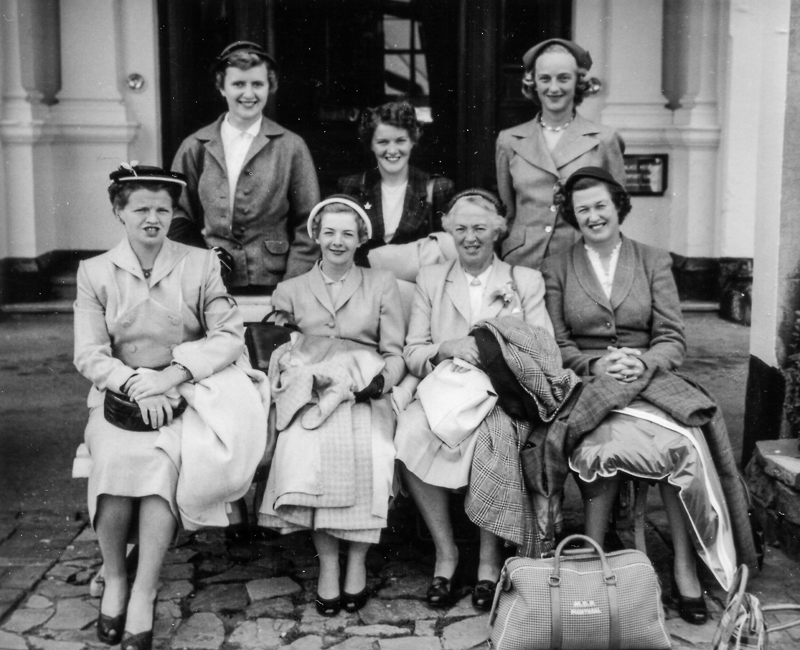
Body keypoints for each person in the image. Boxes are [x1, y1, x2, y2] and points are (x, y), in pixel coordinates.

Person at [540, 167, 751, 625]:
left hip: (649, 379)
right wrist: (594, 364)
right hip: (591, 383)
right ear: (572, 217)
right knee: (601, 448)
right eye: (583, 210)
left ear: (618, 205)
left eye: (600, 205)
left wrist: (645, 360)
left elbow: (673, 337)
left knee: (680, 447)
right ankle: (597, 561)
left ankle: (683, 566)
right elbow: (557, 342)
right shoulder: (557, 265)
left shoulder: (654, 259)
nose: (594, 216)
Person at [74, 164, 267, 650]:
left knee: (162, 460)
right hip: (120, 396)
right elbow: (90, 354)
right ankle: (116, 578)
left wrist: (172, 377)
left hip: (187, 391)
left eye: (163, 209)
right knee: (115, 459)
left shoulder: (198, 263)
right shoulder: (95, 272)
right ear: (119, 211)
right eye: (141, 208)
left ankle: (144, 588)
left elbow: (228, 335)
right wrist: (138, 384)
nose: (153, 218)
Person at [394, 190, 553, 610]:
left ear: (498, 230)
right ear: (447, 230)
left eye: (480, 228)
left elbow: (545, 348)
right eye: (460, 228)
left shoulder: (523, 281)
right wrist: (446, 347)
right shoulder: (431, 280)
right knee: (409, 431)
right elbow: (413, 351)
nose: (470, 237)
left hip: (504, 394)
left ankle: (488, 558)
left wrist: (496, 349)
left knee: (493, 436)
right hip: (446, 390)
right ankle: (446, 553)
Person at [258, 195, 406, 616]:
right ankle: (327, 563)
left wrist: (381, 382)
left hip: (364, 386)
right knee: (308, 448)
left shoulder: (381, 284)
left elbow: (394, 352)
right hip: (311, 389)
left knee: (371, 455)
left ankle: (356, 560)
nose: (337, 242)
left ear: (361, 238)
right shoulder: (290, 289)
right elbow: (276, 349)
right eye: (329, 233)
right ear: (316, 237)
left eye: (347, 233)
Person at [169, 40, 320, 293]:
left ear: (270, 87)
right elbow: (178, 214)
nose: (248, 94)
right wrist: (200, 266)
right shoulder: (196, 146)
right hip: (210, 283)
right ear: (221, 88)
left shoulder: (291, 147)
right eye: (238, 84)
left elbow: (309, 223)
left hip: (275, 282)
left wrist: (292, 287)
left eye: (257, 84)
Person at [496, 38, 625, 269]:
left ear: (578, 82)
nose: (554, 88)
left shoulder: (604, 140)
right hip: (523, 262)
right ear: (533, 82)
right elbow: (508, 212)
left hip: (582, 261)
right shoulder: (509, 140)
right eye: (545, 78)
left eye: (563, 78)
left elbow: (616, 210)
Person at [338, 100, 455, 265]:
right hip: (365, 285)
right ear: (371, 144)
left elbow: (447, 253)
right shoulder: (352, 186)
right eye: (383, 142)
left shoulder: (437, 188)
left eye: (400, 141)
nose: (392, 151)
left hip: (418, 287)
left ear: (413, 141)